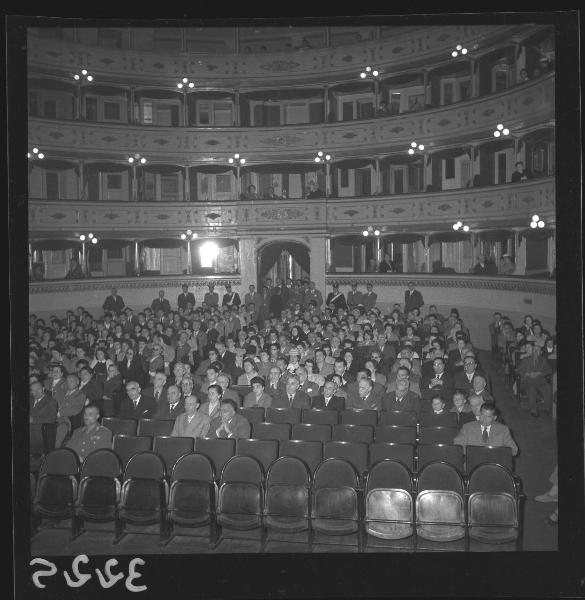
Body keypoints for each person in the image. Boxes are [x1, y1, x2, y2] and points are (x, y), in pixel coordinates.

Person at [454, 403, 518, 455]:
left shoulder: (503, 429)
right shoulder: (467, 427)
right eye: (482, 415)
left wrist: (495, 453)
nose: (484, 419)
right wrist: (474, 453)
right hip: (473, 462)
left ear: (494, 418)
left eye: (488, 416)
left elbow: (514, 450)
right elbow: (457, 444)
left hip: (494, 462)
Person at [516, 343, 553, 417]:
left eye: (538, 350)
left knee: (547, 388)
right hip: (528, 381)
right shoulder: (526, 360)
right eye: (534, 350)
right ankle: (533, 410)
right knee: (531, 389)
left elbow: (549, 370)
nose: (536, 352)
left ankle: (548, 408)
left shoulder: (543, 360)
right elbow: (518, 370)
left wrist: (540, 373)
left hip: (540, 381)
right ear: (532, 351)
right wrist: (528, 374)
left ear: (541, 352)